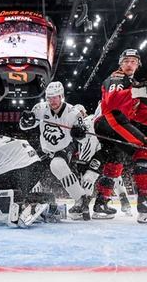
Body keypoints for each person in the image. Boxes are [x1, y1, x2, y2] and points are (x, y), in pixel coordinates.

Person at [93, 48, 147, 224]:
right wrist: (138, 92)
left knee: (114, 163)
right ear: (120, 63)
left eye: (133, 61)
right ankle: (146, 203)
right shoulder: (117, 78)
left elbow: (138, 112)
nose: (129, 64)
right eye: (126, 61)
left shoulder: (132, 83)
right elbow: (112, 102)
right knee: (146, 149)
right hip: (111, 120)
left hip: (109, 123)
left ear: (138, 64)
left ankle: (101, 204)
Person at [19, 81, 91, 220]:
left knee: (57, 165)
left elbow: (83, 138)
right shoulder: (39, 108)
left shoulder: (73, 113)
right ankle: (32, 201)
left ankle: (81, 199)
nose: (52, 101)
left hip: (64, 147)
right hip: (44, 148)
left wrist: (80, 134)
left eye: (55, 97)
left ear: (61, 96)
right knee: (29, 169)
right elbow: (25, 127)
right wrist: (25, 122)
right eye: (49, 97)